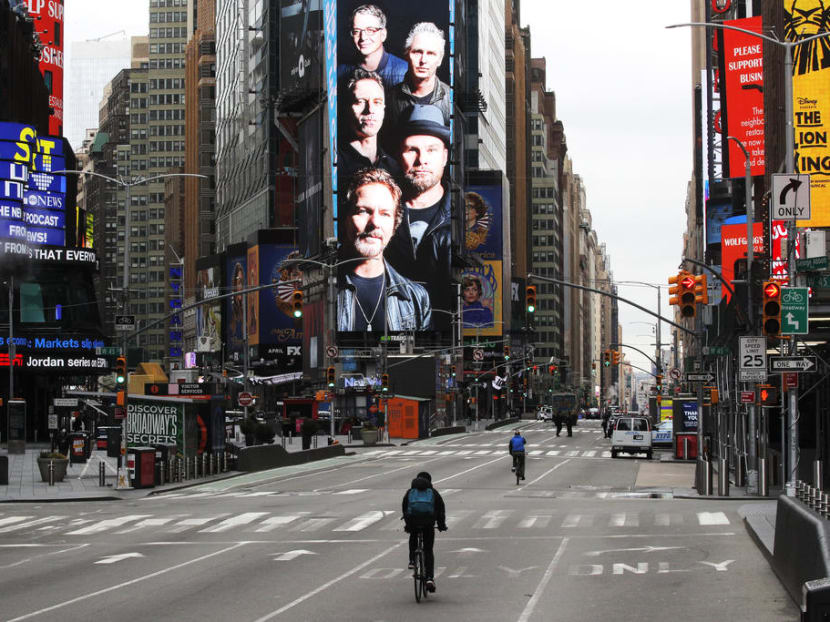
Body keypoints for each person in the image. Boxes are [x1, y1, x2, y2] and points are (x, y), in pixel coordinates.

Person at [337, 167, 432, 331]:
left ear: (395, 226)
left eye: (385, 214)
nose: (374, 223)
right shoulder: (321, 291)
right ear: (345, 218)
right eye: (363, 211)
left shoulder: (416, 298)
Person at [384, 104, 452, 321]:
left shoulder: (463, 217)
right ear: (398, 155)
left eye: (431, 150)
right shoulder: (377, 216)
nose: (421, 159)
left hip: (450, 341)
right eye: (412, 149)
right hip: (385, 335)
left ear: (444, 156)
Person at [384, 22, 452, 133]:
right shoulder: (388, 99)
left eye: (430, 53)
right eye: (417, 52)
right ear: (407, 55)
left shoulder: (451, 100)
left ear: (439, 60)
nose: (423, 60)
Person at [337, 69, 401, 183]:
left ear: (384, 108)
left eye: (377, 102)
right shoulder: (335, 163)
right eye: (360, 101)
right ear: (346, 108)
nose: (370, 110)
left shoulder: (394, 168)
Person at [337, 4, 407, 88]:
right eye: (356, 31)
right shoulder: (340, 72)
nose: (363, 37)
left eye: (370, 30)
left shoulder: (404, 72)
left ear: (383, 34)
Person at [402, 470, 447, 593]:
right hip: (428, 523)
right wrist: (442, 525)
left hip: (413, 522)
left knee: (413, 535)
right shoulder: (433, 493)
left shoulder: (410, 492)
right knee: (428, 550)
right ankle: (429, 578)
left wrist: (407, 524)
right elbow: (441, 510)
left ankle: (412, 560)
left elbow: (405, 508)